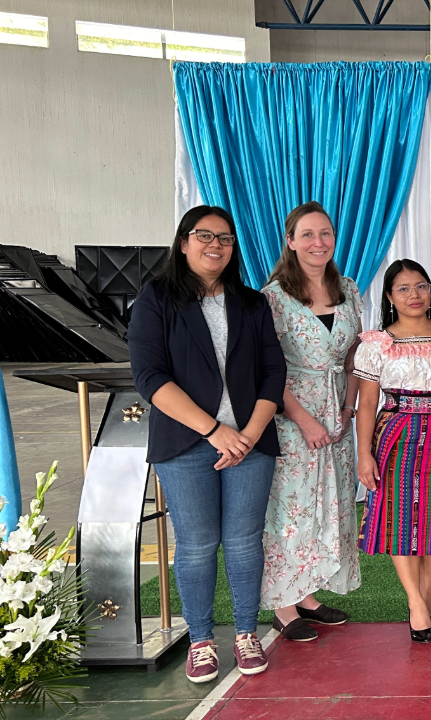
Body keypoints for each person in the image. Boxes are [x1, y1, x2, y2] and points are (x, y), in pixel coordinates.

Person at [129, 205, 285, 683]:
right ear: (183, 242)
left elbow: (273, 372)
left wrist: (250, 435)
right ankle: (200, 640)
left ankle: (244, 633)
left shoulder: (251, 303)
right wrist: (215, 431)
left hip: (250, 444)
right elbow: (149, 377)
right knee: (196, 546)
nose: (215, 245)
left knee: (242, 543)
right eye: (204, 236)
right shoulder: (156, 298)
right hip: (185, 444)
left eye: (225, 238)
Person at [259, 202, 362, 642]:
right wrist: (302, 418)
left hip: (338, 412)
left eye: (325, 234)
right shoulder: (274, 296)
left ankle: (309, 595)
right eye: (307, 235)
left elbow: (358, 353)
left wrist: (348, 408)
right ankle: (283, 604)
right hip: (291, 415)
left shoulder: (349, 288)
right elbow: (267, 365)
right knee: (292, 507)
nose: (318, 243)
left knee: (332, 503)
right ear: (290, 241)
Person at [354, 260, 431, 644]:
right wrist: (364, 454)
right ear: (389, 296)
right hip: (397, 430)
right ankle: (415, 602)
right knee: (401, 518)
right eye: (403, 288)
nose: (414, 295)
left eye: (421, 286)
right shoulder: (378, 344)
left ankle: (427, 592)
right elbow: (366, 404)